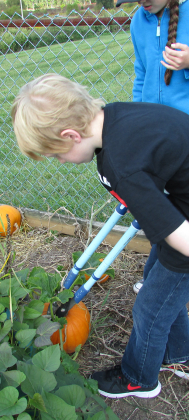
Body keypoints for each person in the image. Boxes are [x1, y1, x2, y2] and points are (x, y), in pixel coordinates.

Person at [12, 73, 189, 399]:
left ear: (70, 135)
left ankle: (139, 378)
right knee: (156, 282)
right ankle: (178, 354)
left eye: (56, 155)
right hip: (180, 199)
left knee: (150, 307)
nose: (61, 161)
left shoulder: (121, 166)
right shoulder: (117, 115)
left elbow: (181, 237)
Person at [116, 0, 189, 293]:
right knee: (163, 208)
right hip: (155, 136)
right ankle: (160, 282)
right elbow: (142, 74)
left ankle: (169, 286)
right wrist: (137, 121)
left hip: (184, 136)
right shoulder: (139, 22)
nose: (142, 2)